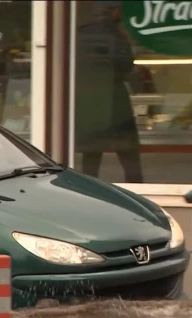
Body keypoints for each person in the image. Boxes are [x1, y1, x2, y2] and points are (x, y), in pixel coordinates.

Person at [75, 1, 143, 183]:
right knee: (129, 155)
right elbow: (126, 65)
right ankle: (138, 191)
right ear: (115, 10)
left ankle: (87, 192)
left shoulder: (80, 34)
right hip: (115, 101)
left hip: (89, 101)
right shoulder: (116, 34)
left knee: (91, 156)